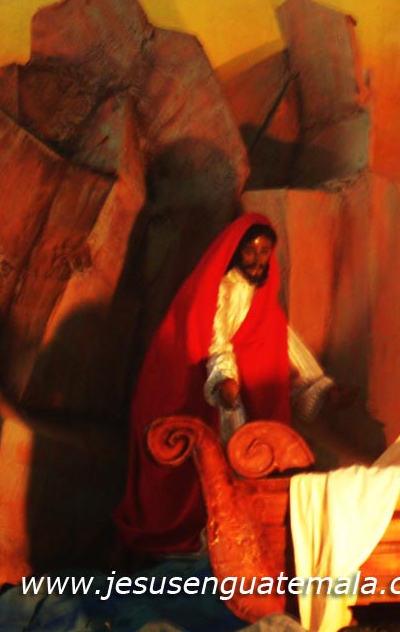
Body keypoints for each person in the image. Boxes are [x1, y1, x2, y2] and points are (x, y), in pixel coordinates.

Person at [113, 211, 348, 557]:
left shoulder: (261, 296)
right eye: (250, 251)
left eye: (264, 251)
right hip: (208, 394)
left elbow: (282, 341)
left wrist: (321, 386)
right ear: (237, 252)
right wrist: (223, 377)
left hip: (241, 395)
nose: (257, 259)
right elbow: (216, 337)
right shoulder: (224, 289)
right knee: (214, 469)